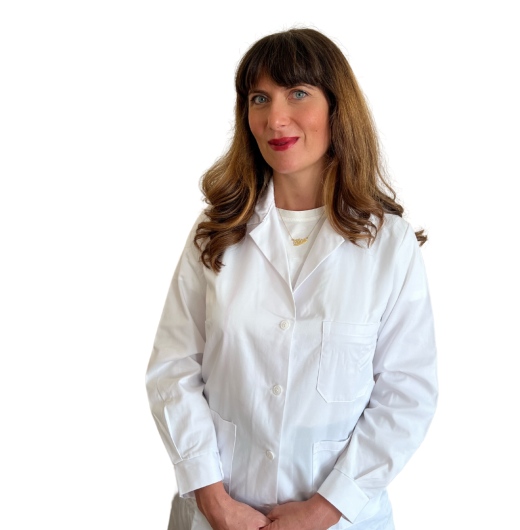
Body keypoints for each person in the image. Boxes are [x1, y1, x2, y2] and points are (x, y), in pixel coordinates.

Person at [146, 28, 437, 530]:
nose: (275, 119)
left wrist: (324, 510)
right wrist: (214, 501)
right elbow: (173, 369)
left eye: (297, 93)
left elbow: (406, 393)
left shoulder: (387, 244)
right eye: (259, 98)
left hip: (343, 519)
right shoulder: (217, 232)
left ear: (337, 108)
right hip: (218, 516)